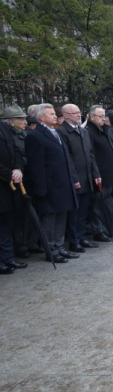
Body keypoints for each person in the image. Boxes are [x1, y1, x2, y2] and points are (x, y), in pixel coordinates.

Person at [25, 103, 79, 263]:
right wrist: (40, 189)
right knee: (50, 219)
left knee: (62, 216)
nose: (55, 116)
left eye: (54, 114)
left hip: (63, 184)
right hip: (49, 186)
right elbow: (36, 166)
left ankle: (59, 246)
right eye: (51, 114)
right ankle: (51, 249)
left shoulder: (55, 132)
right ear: (41, 117)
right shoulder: (35, 136)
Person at [57, 103, 101, 253]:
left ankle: (82, 237)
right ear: (66, 115)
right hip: (75, 179)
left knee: (83, 211)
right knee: (74, 213)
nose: (78, 115)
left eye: (79, 112)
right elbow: (67, 159)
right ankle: (74, 240)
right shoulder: (62, 132)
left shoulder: (83, 132)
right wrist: (74, 179)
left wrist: (96, 174)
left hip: (88, 177)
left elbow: (91, 155)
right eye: (74, 113)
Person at [86, 105, 113, 241]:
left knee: (108, 205)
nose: (103, 119)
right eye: (100, 116)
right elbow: (91, 155)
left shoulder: (102, 129)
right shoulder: (89, 131)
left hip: (109, 174)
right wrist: (96, 174)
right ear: (92, 116)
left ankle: (108, 228)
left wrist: (106, 126)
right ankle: (99, 230)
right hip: (100, 174)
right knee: (99, 205)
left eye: (104, 116)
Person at [0, 106, 27, 273]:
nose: (25, 121)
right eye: (21, 119)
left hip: (9, 187)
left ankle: (8, 258)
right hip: (3, 184)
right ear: (11, 120)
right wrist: (9, 173)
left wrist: (18, 169)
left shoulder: (10, 132)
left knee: (7, 224)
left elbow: (18, 154)